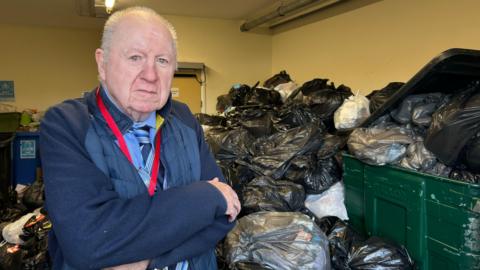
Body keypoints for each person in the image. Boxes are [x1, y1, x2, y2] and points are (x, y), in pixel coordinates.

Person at [40, 6, 241, 270]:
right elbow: (88, 241)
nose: (150, 75)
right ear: (102, 63)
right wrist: (205, 195)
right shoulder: (66, 123)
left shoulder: (183, 117)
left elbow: (224, 215)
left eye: (162, 61)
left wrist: (147, 261)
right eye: (135, 57)